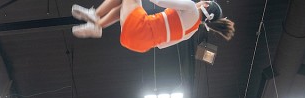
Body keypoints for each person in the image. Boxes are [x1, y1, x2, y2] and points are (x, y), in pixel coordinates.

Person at [71, 0, 234, 53]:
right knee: (124, 7)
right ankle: (97, 25)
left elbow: (159, 1)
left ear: (205, 5)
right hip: (139, 44)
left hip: (140, 28)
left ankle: (96, 15)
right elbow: (161, 45)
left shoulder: (191, 7)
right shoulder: (191, 33)